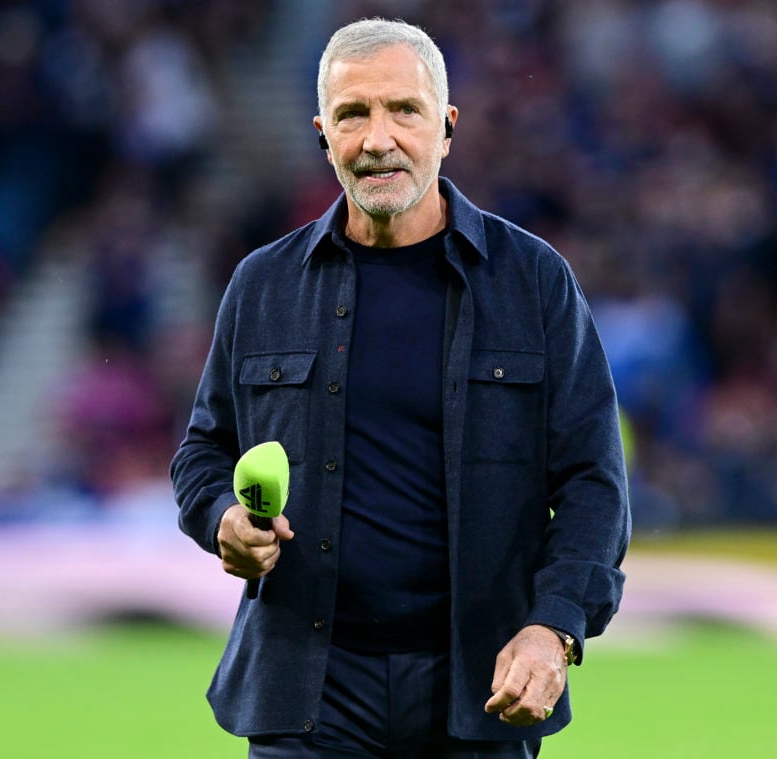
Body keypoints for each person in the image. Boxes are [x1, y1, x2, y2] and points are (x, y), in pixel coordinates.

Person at [171, 18, 630, 758]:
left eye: (404, 110)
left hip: (478, 687)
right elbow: (202, 453)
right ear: (324, 134)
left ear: (447, 129)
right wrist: (222, 517)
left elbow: (593, 481)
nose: (377, 138)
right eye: (353, 114)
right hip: (307, 689)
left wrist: (555, 627)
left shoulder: (533, 280)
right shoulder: (262, 284)